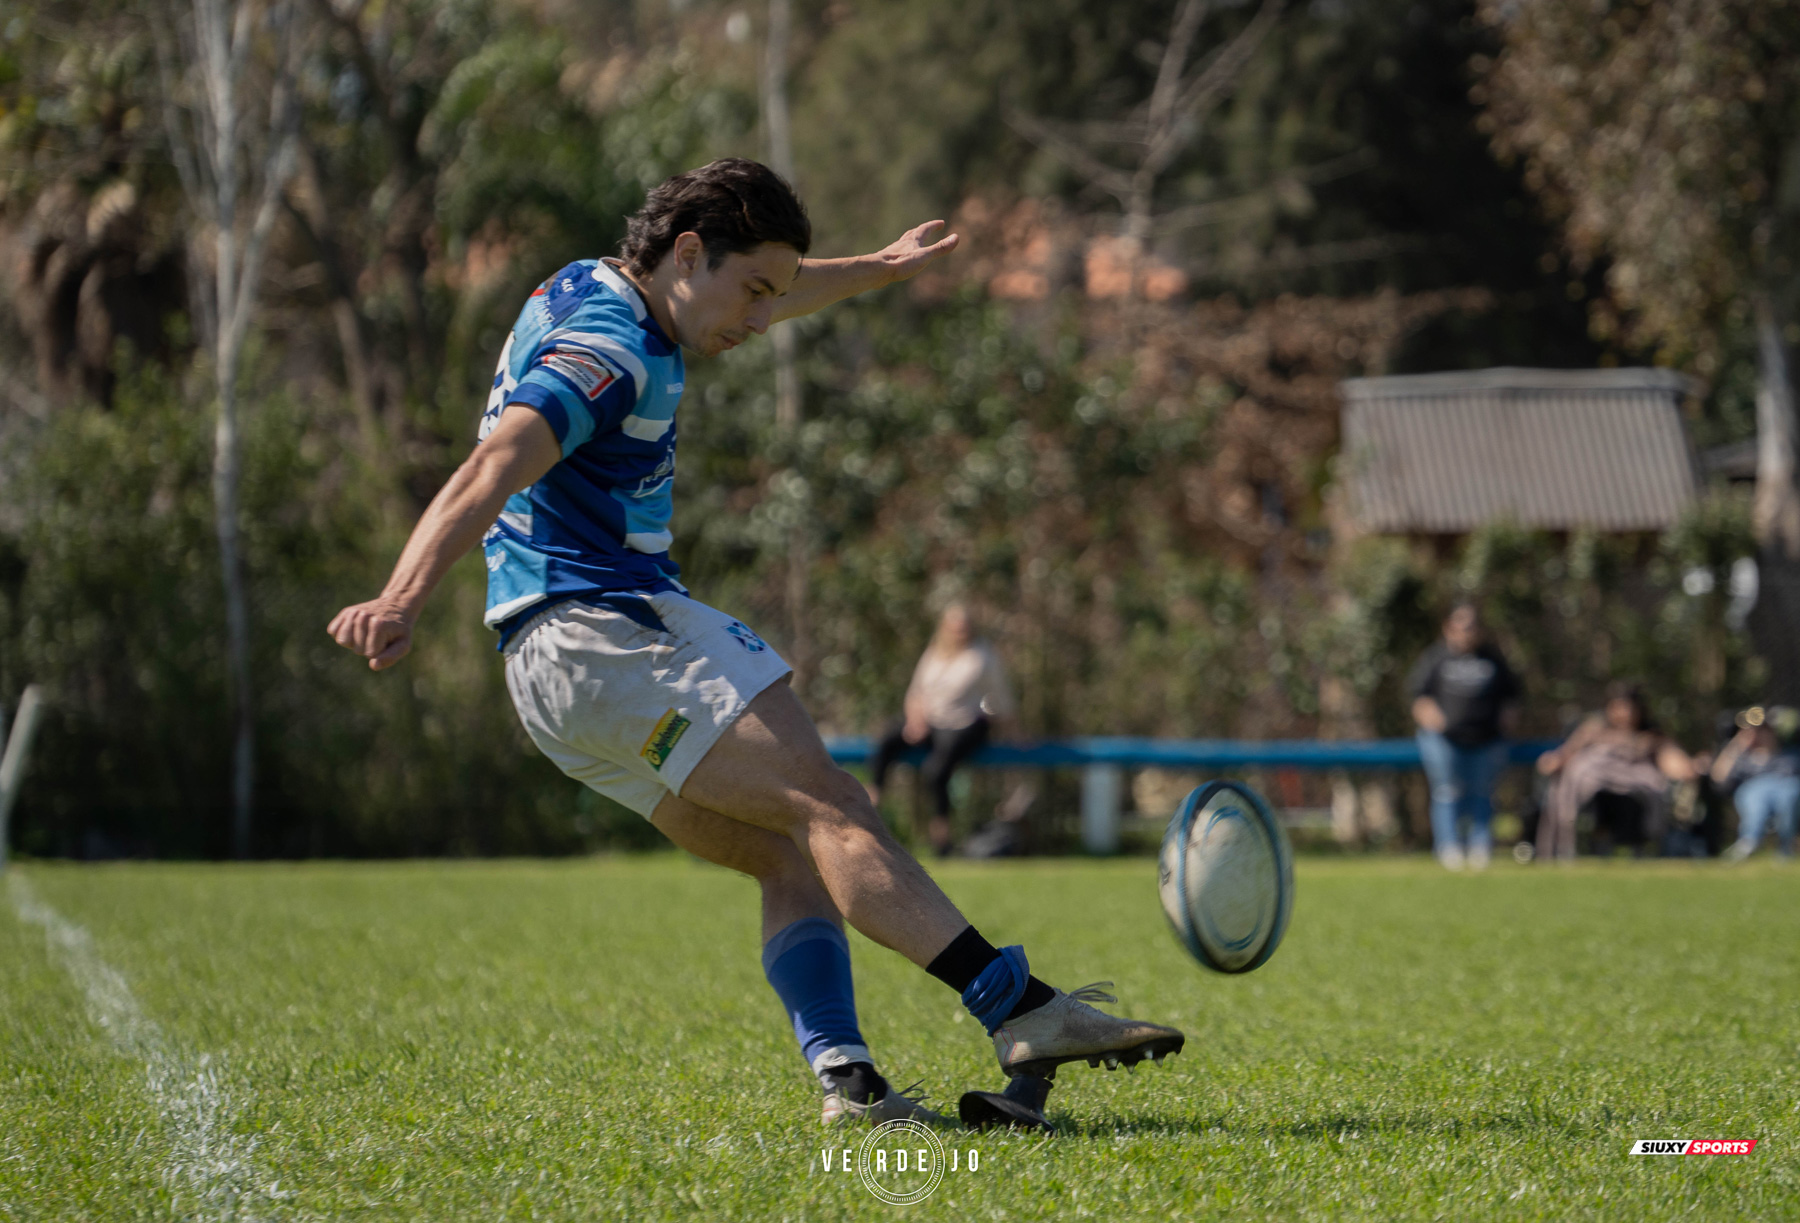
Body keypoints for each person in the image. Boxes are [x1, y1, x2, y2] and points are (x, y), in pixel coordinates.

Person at [326, 160, 1181, 1131]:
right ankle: (1020, 1008)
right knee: (833, 803)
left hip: (551, 681)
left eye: (777, 293)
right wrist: (401, 594)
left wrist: (882, 266)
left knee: (797, 855)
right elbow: (493, 462)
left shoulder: (594, 284)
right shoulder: (614, 352)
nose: (765, 317)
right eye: (753, 292)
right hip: (605, 625)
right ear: (688, 253)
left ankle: (851, 1083)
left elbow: (780, 279)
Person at [867, 605, 1017, 855]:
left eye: (964, 628)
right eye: (955, 628)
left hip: (965, 725)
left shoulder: (982, 656)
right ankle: (872, 803)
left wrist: (1016, 732)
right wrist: (916, 721)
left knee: (936, 770)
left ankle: (941, 836)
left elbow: (1002, 698)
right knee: (887, 739)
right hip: (930, 724)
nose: (960, 633)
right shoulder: (933, 654)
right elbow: (915, 692)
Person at [1407, 603, 1521, 870]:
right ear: (1448, 628)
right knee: (1446, 792)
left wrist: (1508, 717)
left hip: (1487, 740)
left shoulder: (1493, 659)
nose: (1467, 632)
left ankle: (1481, 847)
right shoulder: (1436, 658)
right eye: (1461, 626)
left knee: (1483, 792)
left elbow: (1512, 696)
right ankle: (1449, 848)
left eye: (1472, 627)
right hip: (1444, 740)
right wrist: (1429, 716)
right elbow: (1417, 695)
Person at [1534, 682, 1698, 860]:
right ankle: (1575, 842)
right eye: (1619, 708)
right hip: (1591, 791)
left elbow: (1676, 763)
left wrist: (1688, 767)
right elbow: (1563, 756)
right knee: (1580, 782)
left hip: (1634, 795)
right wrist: (1553, 762)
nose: (1625, 714)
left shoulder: (1651, 738)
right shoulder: (1593, 731)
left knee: (1642, 795)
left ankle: (1634, 846)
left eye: (1630, 708)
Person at [1710, 705, 1800, 861]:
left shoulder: (1791, 753)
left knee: (1789, 794)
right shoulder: (1741, 758)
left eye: (1761, 730)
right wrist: (1737, 744)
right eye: (1750, 730)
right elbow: (1717, 778)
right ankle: (1749, 842)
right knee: (1756, 797)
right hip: (1754, 790)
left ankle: (1786, 845)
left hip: (1787, 788)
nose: (1756, 734)